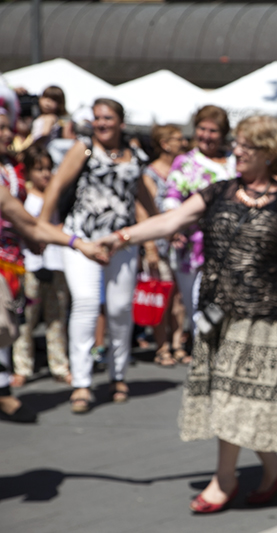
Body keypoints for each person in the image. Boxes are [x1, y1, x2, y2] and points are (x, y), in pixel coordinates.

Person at [96, 115, 277, 513]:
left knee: (237, 398)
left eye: (246, 146)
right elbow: (171, 220)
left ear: (268, 154)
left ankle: (225, 479)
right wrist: (121, 237)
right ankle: (275, 470)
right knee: (234, 397)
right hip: (216, 312)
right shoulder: (218, 192)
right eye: (238, 143)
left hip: (263, 318)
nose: (236, 150)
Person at [39, 97, 159, 414]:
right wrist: (41, 227)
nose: (102, 124)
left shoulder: (136, 154)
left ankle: (118, 374)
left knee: (120, 310)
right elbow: (56, 186)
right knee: (87, 303)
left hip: (120, 241)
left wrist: (151, 240)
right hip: (83, 240)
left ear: (120, 121)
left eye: (107, 118)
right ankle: (81, 382)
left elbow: (144, 199)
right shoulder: (83, 148)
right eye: (97, 118)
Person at [0, 103, 107, 424]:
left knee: (7, 324)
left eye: (9, 127)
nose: (7, 133)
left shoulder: (8, 171)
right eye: (1, 128)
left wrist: (79, 244)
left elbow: (29, 224)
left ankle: (3, 389)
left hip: (10, 258)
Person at [164, 105, 235, 353]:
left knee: (226, 308)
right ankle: (203, 361)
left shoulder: (235, 161)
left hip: (231, 248)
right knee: (198, 309)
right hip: (193, 248)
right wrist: (173, 224)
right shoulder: (187, 162)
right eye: (202, 129)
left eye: (212, 130)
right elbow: (171, 196)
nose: (206, 135)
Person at [11, 146, 71, 387]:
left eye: (49, 169)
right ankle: (22, 367)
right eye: (39, 169)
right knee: (26, 319)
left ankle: (59, 364)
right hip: (31, 264)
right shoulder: (24, 196)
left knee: (56, 319)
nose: (45, 174)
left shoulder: (58, 195)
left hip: (58, 263)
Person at [143, 123, 188, 366]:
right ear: (164, 144)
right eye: (178, 139)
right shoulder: (149, 174)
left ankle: (178, 343)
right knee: (162, 295)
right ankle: (161, 346)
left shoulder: (185, 170)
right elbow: (147, 212)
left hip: (182, 243)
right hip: (159, 243)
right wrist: (150, 246)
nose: (183, 143)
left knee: (179, 298)